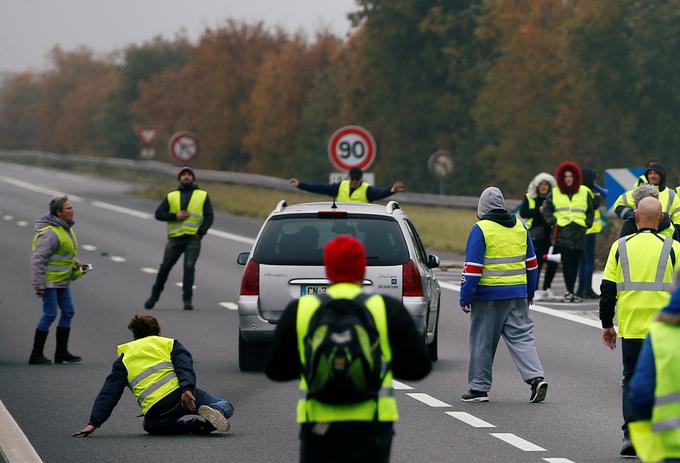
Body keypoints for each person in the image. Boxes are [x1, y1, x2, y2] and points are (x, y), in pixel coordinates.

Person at [265, 235, 431, 462]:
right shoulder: (385, 308)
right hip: (373, 422)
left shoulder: (302, 309)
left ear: (328, 269)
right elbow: (419, 368)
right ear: (362, 268)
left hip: (319, 423)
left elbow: (275, 369)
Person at [599, 197, 680, 457]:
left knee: (631, 379)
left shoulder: (619, 246)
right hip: (665, 329)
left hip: (631, 325)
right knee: (667, 382)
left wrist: (607, 325)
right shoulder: (675, 247)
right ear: (661, 218)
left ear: (635, 216)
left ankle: (631, 434)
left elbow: (607, 289)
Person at [73, 315, 234, 437]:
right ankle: (214, 414)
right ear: (157, 331)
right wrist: (187, 389)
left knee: (151, 426)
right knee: (225, 405)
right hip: (182, 395)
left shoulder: (124, 358)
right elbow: (184, 366)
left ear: (134, 335)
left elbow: (109, 392)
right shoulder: (168, 344)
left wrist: (94, 422)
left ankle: (194, 426)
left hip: (156, 408)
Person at [460, 187, 547, 403]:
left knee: (482, 341)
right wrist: (530, 292)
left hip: (488, 296)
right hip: (517, 294)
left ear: (482, 209)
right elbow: (532, 264)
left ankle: (479, 390)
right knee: (523, 338)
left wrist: (465, 297)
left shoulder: (480, 229)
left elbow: (472, 268)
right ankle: (536, 379)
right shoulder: (520, 226)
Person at [144, 166, 214, 311]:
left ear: (193, 178)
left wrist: (201, 232)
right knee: (165, 268)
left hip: (193, 238)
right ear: (179, 179)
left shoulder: (202, 195)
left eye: (189, 174)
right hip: (175, 238)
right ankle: (154, 296)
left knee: (189, 267)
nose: (186, 176)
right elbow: (158, 214)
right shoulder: (171, 196)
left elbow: (209, 216)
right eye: (184, 175)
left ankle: (187, 299)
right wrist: (174, 216)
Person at [30, 196, 88, 365]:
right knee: (50, 314)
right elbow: (38, 259)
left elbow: (63, 253)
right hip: (49, 282)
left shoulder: (64, 229)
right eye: (69, 208)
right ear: (58, 212)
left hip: (62, 281)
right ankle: (36, 354)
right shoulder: (50, 233)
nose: (73, 210)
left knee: (68, 312)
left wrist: (78, 263)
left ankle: (61, 352)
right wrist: (38, 284)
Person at [629, 272, 680, 462]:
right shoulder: (675, 248)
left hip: (672, 447)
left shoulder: (661, 334)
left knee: (628, 375)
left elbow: (641, 394)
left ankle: (627, 436)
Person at [542, 161, 595, 302]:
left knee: (576, 263)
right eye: (565, 176)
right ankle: (569, 291)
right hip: (562, 233)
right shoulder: (555, 192)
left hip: (579, 233)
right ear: (561, 177)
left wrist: (587, 224)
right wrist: (553, 221)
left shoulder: (584, 191)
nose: (568, 179)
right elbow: (546, 209)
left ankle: (572, 291)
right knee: (567, 264)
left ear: (575, 177)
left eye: (571, 176)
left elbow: (591, 210)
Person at [614, 162, 680, 240]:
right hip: (639, 235)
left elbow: (678, 218)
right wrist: (632, 215)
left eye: (656, 173)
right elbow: (619, 205)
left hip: (664, 238)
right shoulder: (640, 192)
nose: (652, 176)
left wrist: (674, 233)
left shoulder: (672, 195)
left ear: (662, 176)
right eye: (650, 173)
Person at [519, 172, 558, 301]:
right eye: (541, 185)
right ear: (537, 186)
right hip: (535, 237)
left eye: (546, 185)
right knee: (537, 264)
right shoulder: (530, 198)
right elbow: (524, 213)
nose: (543, 187)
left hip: (551, 237)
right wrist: (539, 211)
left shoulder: (554, 199)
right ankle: (534, 289)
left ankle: (547, 288)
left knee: (552, 263)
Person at [289, 167, 405, 203]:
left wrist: (391, 190)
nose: (354, 181)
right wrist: (300, 185)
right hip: (340, 226)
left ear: (361, 179)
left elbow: (380, 193)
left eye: (357, 179)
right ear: (349, 177)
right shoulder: (339, 187)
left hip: (361, 228)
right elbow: (320, 188)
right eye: (352, 179)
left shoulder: (367, 190)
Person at [576, 169, 608, 299]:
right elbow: (601, 199)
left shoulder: (579, 190)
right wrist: (595, 188)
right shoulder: (590, 191)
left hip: (581, 229)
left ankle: (580, 289)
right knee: (589, 261)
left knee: (581, 262)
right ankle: (587, 289)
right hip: (590, 230)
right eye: (594, 178)